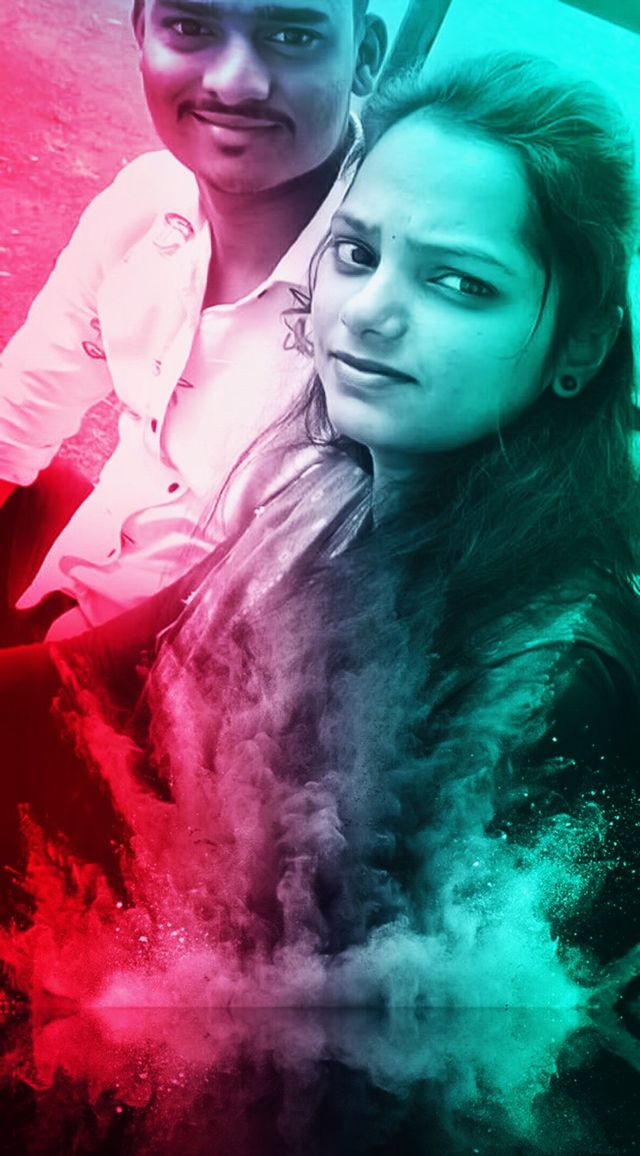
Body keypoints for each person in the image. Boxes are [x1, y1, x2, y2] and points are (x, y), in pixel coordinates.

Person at [2, 52, 640, 999]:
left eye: (460, 282)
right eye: (356, 253)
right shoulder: (332, 473)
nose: (370, 312)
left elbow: (360, 1033)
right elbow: (124, 667)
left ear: (581, 340)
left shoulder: (546, 677)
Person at [0, 0, 386, 643]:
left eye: (292, 35)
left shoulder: (391, 299)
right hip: (70, 603)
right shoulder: (148, 201)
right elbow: (18, 415)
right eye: (190, 26)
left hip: (210, 681)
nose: (234, 82)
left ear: (364, 56)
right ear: (141, 31)